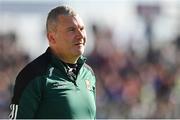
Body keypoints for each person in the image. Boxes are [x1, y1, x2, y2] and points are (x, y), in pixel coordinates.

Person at [9, 5, 96, 119]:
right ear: (52, 38)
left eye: (82, 28)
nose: (80, 35)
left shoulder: (88, 74)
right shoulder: (32, 76)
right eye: (71, 30)